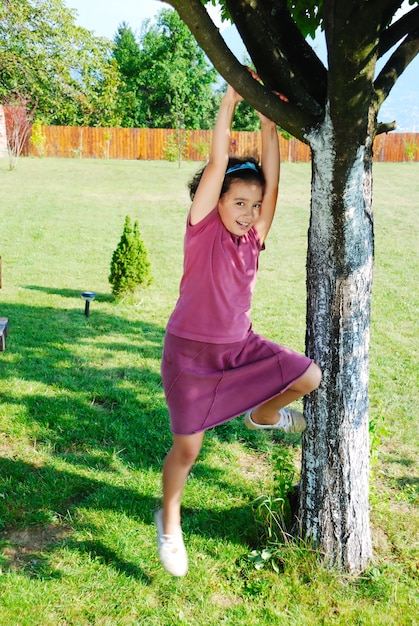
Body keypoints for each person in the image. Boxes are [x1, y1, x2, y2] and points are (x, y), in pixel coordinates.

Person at [155, 81, 322, 577]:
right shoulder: (203, 225)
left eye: (254, 205)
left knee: (308, 377)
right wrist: (230, 103)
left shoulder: (256, 236)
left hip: (239, 349)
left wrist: (270, 123)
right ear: (217, 200)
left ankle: (264, 416)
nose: (248, 212)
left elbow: (273, 179)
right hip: (188, 355)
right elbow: (216, 164)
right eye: (239, 202)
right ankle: (169, 522)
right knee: (188, 448)